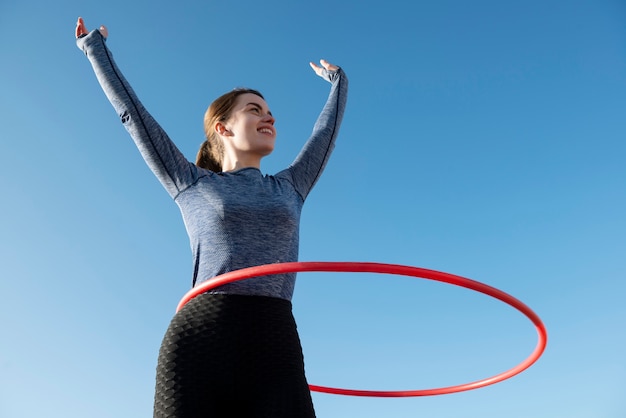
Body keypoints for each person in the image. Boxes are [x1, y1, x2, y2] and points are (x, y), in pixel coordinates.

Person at [75, 16, 348, 418]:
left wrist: (340, 82)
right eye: (255, 110)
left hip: (274, 340)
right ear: (222, 128)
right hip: (202, 337)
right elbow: (133, 116)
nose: (270, 117)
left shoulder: (291, 186)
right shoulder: (189, 182)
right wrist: (94, 49)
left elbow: (326, 134)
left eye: (270, 111)